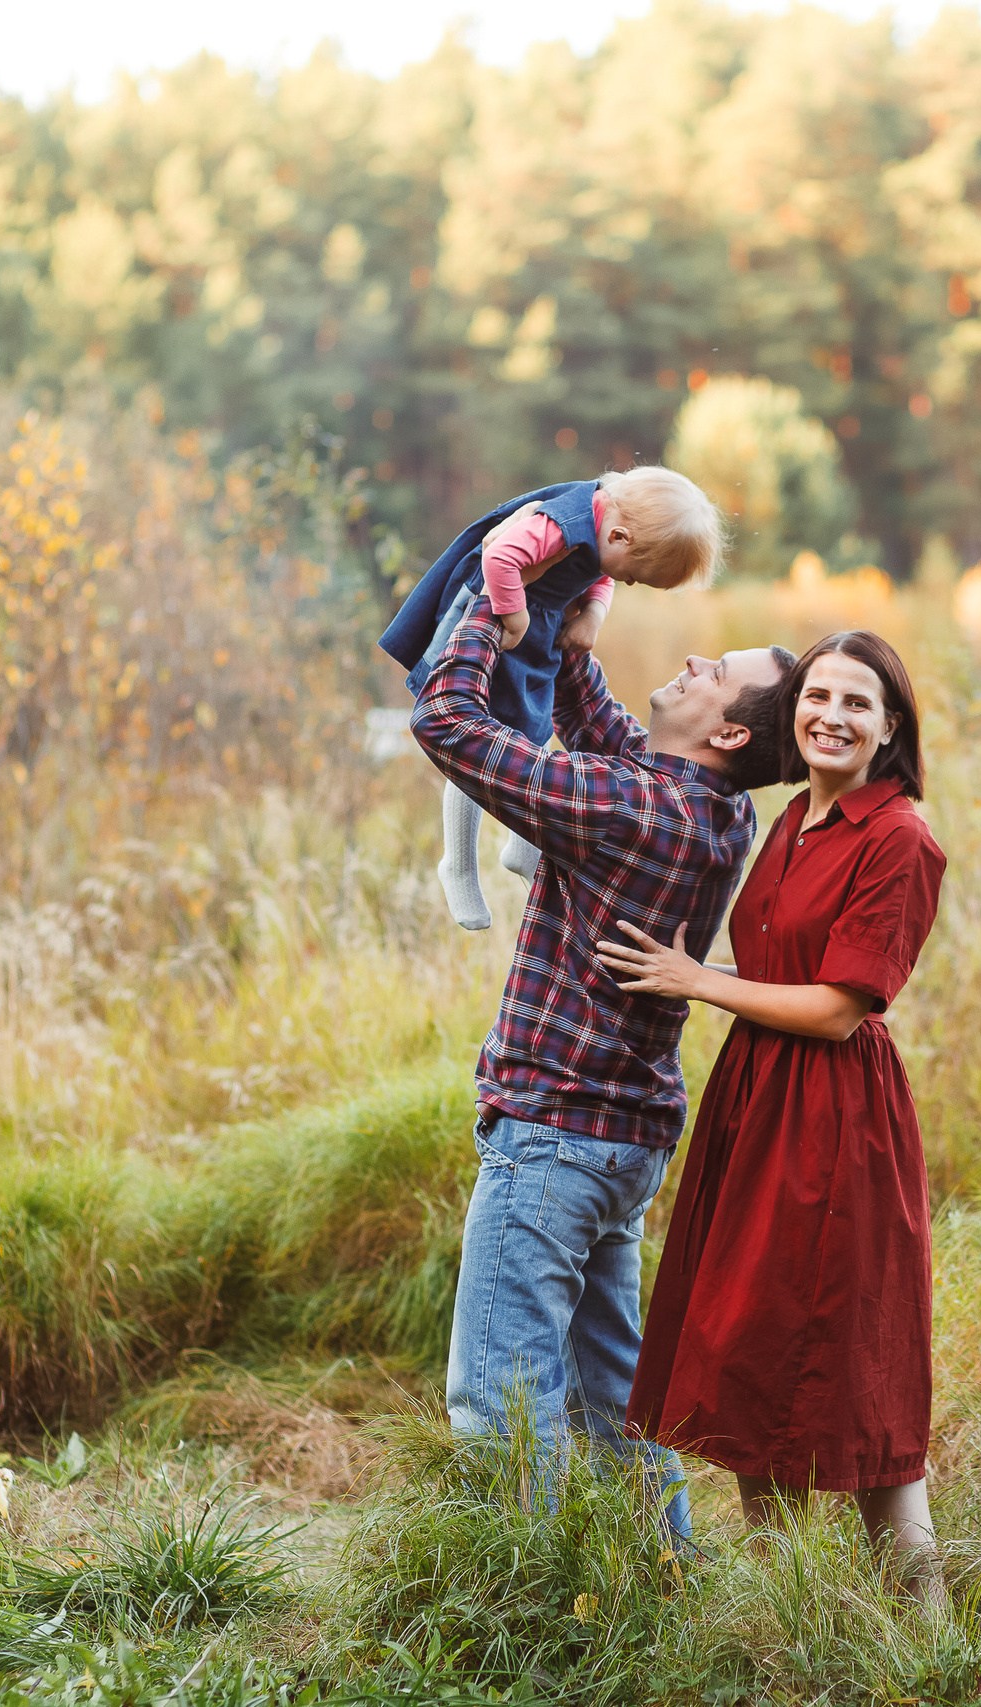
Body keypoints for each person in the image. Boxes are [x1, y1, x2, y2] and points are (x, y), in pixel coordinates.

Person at [409, 582, 794, 1541]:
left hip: (554, 1139)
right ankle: (664, 1574)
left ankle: (530, 1594)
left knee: (500, 1395)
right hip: (621, 1143)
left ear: (731, 733)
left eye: (719, 672)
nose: (697, 661)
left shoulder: (632, 807)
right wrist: (572, 641)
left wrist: (486, 611)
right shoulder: (713, 811)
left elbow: (446, 723)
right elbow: (613, 738)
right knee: (612, 1394)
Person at [598, 630, 949, 1596]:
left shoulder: (899, 838)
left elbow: (838, 1009)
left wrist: (694, 979)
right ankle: (786, 1615)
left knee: (853, 1370)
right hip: (758, 1105)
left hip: (835, 1124)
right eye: (817, 696)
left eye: (857, 702)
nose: (831, 716)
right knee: (754, 1353)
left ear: (890, 727)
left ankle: (928, 1638)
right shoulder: (794, 817)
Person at [380, 466, 725, 932]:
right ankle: (457, 863)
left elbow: (602, 572)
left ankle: (522, 848)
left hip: (535, 623)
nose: (626, 582)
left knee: (534, 725)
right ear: (620, 538)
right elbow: (499, 556)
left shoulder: (610, 527)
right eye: (633, 577)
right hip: (497, 615)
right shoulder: (563, 525)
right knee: (479, 736)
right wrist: (514, 616)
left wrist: (593, 615)